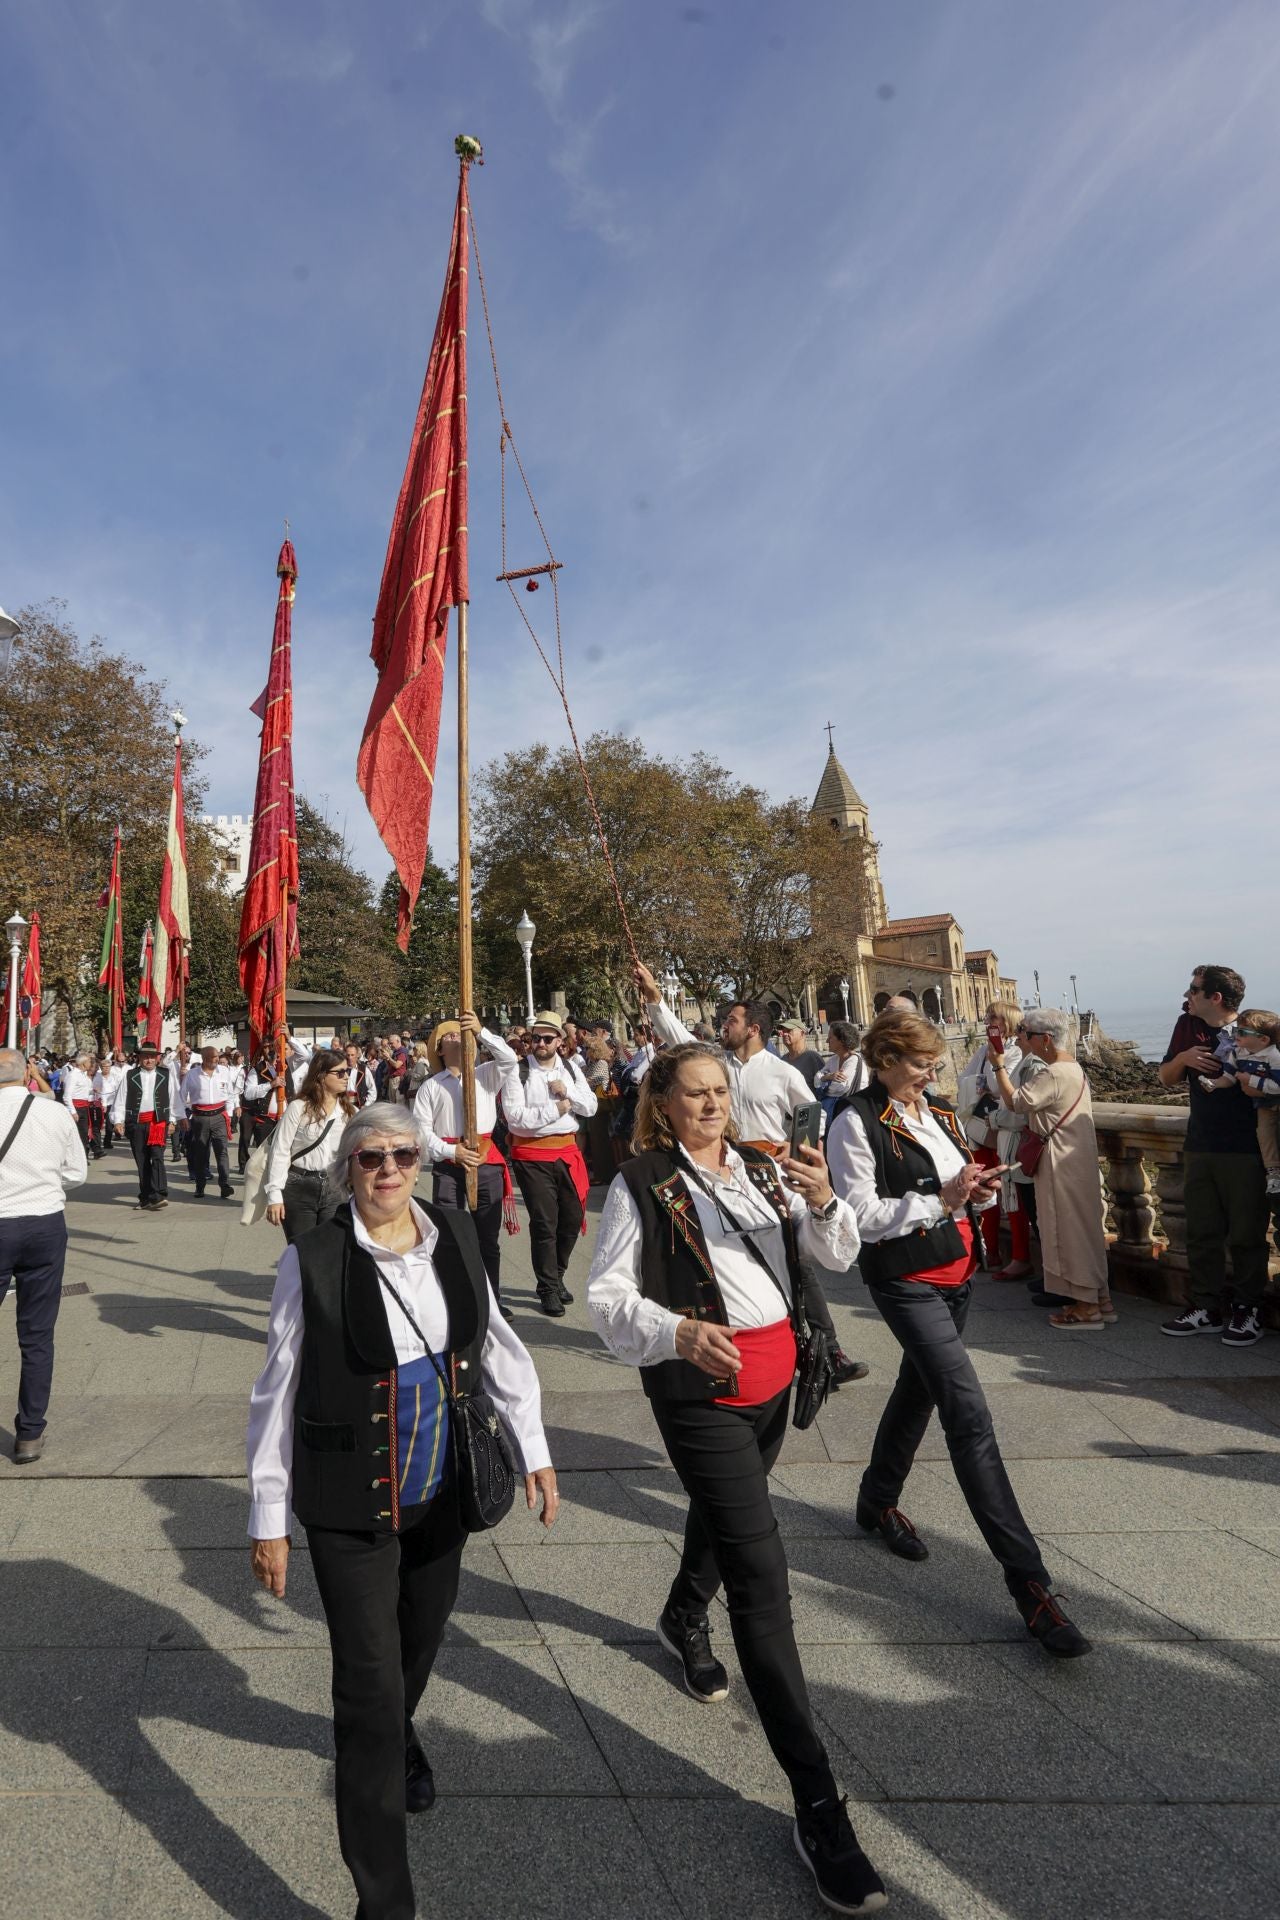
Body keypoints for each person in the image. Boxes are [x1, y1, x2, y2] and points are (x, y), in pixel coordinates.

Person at [585, 1042, 887, 1917]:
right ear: (665, 1104)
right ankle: (820, 1808)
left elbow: (828, 1258)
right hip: (700, 1389)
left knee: (728, 1517)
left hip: (775, 1382)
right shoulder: (642, 1182)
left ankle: (682, 1614)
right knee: (762, 1574)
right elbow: (606, 1297)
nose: (714, 1105)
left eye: (721, 1091)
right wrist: (676, 1331)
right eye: (697, 1094)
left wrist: (825, 1197)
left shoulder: (761, 1168)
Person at [248, 1102, 559, 1920]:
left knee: (417, 1649)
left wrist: (534, 1446)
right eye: (370, 1159)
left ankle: (400, 1729)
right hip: (347, 1505)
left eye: (402, 1156)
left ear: (421, 1161)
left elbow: (496, 1346)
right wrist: (267, 1517)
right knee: (366, 1691)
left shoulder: (454, 1236)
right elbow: (273, 1394)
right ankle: (384, 1901)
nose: (388, 1171)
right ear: (346, 1169)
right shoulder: (310, 1259)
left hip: (443, 1494)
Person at [826, 1006, 1090, 1658]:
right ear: (885, 1059)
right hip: (905, 1280)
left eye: (933, 1064)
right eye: (920, 1065)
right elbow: (860, 1217)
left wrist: (972, 1191)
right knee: (968, 1414)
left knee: (919, 1391)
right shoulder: (854, 1122)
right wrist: (939, 1200)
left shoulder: (938, 1111)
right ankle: (1031, 1586)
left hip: (959, 1274)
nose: (931, 1074)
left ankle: (876, 1499)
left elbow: (955, 1186)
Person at [635, 963, 868, 1387]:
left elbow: (811, 1117)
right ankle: (743, 1335)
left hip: (765, 1176)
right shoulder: (716, 1063)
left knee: (797, 1260)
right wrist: (654, 997)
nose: (725, 1025)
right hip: (716, 1170)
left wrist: (791, 1148)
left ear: (755, 1029)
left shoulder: (782, 1072)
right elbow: (678, 1037)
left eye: (733, 1021)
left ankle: (825, 1348)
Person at [1159, 965, 1270, 1346]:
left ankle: (1247, 1309)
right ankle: (1205, 1306)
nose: (1186, 996)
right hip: (1200, 1144)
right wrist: (1184, 1059)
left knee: (1247, 1233)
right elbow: (1165, 1077)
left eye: (1193, 989)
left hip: (1246, 1148)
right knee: (1202, 1231)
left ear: (1215, 997)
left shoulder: (1257, 1030)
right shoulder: (1186, 1025)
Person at [987, 1011, 1114, 1328]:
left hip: (1060, 1161)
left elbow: (1017, 1102)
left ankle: (1087, 1308)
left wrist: (999, 1065)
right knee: (1084, 1230)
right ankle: (1100, 1300)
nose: (1018, 1037)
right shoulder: (1073, 1068)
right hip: (1075, 1158)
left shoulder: (1055, 1073)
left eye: (1024, 1032)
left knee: (1067, 1231)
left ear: (1044, 1038)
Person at [0, 1046, 89, 1463]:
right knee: (36, 1335)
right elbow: (76, 1173)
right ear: (27, 1073)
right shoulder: (53, 1113)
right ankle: (30, 1432)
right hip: (44, 1223)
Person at [415, 1013, 522, 1316]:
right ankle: (454, 1299)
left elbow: (510, 1059)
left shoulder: (485, 1074)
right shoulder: (430, 1087)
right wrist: (452, 1151)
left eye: (464, 1034)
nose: (458, 1037)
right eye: (450, 1035)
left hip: (486, 1162)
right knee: (448, 1233)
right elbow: (422, 1133)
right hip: (449, 1166)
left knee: (488, 1238)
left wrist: (482, 1031)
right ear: (439, 1048)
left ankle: (492, 1299)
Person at [500, 1009, 598, 1317]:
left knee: (571, 1219)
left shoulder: (570, 1068)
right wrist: (558, 1110)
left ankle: (556, 1275)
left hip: (566, 1153)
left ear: (559, 1041)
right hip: (531, 1156)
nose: (540, 1043)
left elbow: (591, 1107)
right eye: (535, 1038)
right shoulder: (518, 1072)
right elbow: (516, 1121)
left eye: (547, 1038)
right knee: (545, 1222)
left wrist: (567, 1093)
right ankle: (547, 1288)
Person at [958, 1000, 1032, 1278]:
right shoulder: (984, 1049)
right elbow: (964, 1080)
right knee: (983, 1188)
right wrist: (983, 1083)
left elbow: (995, 1086)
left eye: (995, 1017)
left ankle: (1020, 1256)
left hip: (1004, 1128)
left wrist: (982, 1083)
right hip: (981, 1127)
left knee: (1010, 1193)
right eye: (988, 1015)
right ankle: (990, 1253)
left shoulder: (1012, 1051)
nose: (988, 1020)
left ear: (1009, 1022)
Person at [264, 1050, 354, 1244]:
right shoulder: (298, 1108)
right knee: (302, 1252)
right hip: (299, 1187)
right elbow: (280, 1151)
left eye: (347, 1071)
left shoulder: (348, 1111)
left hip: (335, 1188)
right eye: (339, 1072)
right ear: (321, 1075)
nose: (346, 1076)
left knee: (330, 1251)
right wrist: (274, 1195)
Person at [1196, 1008, 1280, 1197]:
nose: (1236, 1035)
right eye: (1236, 1031)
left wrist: (1249, 1080)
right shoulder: (1238, 1052)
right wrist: (1215, 1084)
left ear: (1263, 1040)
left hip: (1273, 1097)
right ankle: (1274, 1174)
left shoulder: (1274, 1056)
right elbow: (1230, 1077)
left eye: (1242, 1032)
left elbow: (1277, 1086)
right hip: (1264, 1105)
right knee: (1265, 1135)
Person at [110, 1039, 173, 1210]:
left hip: (158, 1122)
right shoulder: (130, 1075)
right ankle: (145, 1197)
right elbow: (120, 1100)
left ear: (157, 1058)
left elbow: (174, 1098)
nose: (149, 1060)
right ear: (139, 1058)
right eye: (146, 1057)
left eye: (152, 1057)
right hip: (136, 1123)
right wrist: (118, 1120)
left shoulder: (166, 1075)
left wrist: (173, 1119)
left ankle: (159, 1194)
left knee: (157, 1157)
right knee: (142, 1160)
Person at [180, 1045, 238, 1199]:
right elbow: (181, 1096)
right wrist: (182, 1116)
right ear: (204, 1058)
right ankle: (200, 1186)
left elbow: (230, 1094)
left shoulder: (224, 1072)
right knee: (200, 1152)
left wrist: (230, 1114)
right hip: (200, 1118)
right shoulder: (192, 1075)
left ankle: (224, 1184)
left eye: (217, 1057)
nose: (216, 1060)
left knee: (222, 1151)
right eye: (213, 1057)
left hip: (220, 1116)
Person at [815, 1019, 869, 1121]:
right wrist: (828, 1077)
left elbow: (841, 1086)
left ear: (841, 1040)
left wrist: (823, 1082)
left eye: (830, 1038)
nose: (827, 1041)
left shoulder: (854, 1060)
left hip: (850, 1114)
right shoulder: (833, 1060)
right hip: (834, 1111)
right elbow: (816, 1079)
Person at [60, 1052, 97, 1159]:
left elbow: (84, 1092)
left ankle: (83, 1157)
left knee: (84, 1134)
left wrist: (93, 1092)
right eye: (89, 1061)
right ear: (84, 1063)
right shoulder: (72, 1076)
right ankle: (75, 1158)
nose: (91, 1064)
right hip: (76, 1108)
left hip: (84, 1107)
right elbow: (67, 1096)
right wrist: (73, 1111)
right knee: (76, 1135)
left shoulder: (84, 1076)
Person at [776, 1017, 825, 1093]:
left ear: (802, 1034)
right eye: (783, 1031)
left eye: (789, 1031)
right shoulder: (783, 1060)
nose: (784, 1034)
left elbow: (824, 1087)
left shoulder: (813, 1058)